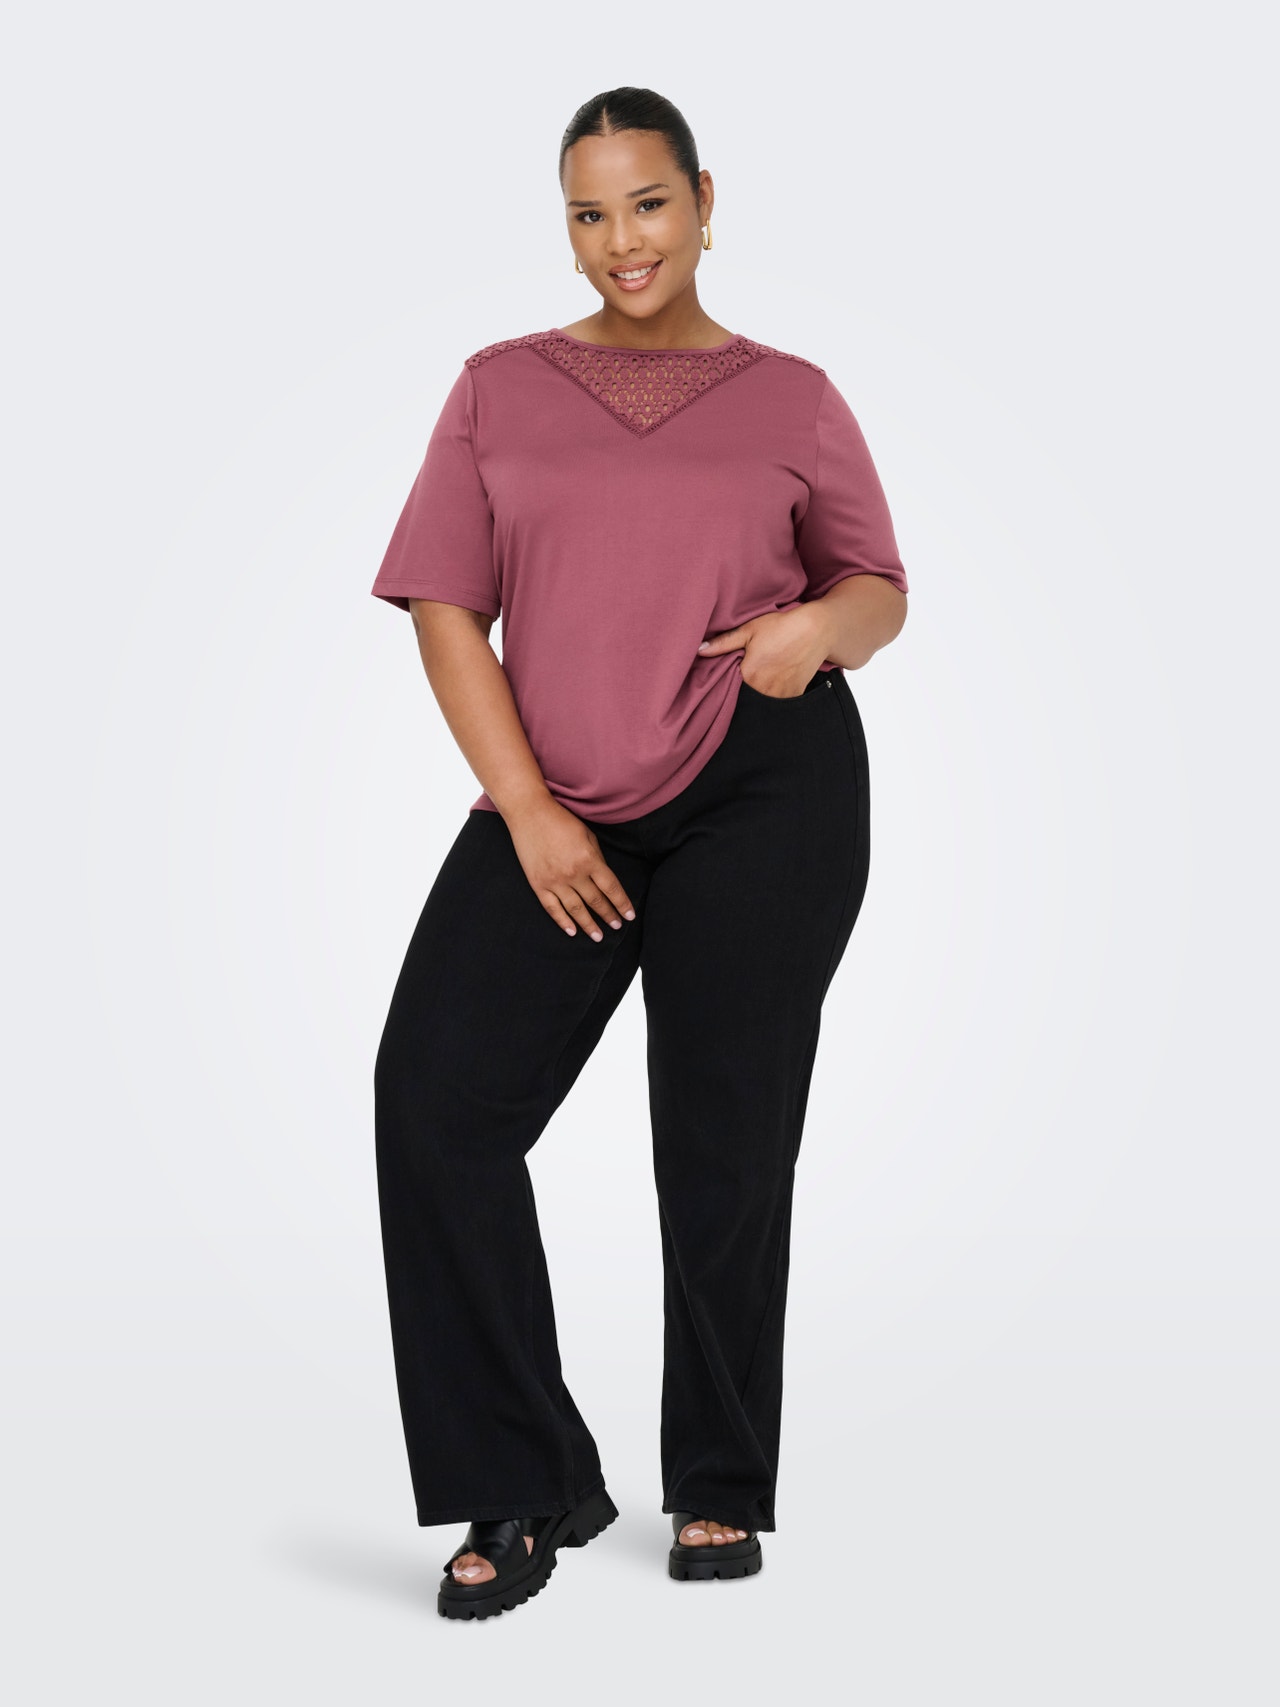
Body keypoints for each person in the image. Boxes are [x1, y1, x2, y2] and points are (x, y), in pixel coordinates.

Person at [370, 85, 910, 1622]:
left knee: (723, 1136)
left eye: (650, 203)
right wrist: (533, 811)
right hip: (558, 792)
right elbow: (443, 608)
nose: (624, 239)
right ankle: (524, 1477)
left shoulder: (795, 395)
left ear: (705, 200)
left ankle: (719, 1483)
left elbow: (878, 588)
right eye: (590, 213)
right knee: (434, 1109)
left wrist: (817, 628)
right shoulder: (497, 387)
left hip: (765, 785)